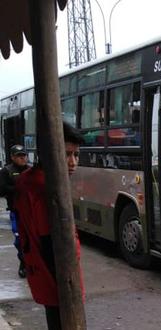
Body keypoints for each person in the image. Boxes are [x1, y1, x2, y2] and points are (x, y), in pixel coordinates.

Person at [15, 123, 84, 330]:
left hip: (41, 276)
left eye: (76, 155)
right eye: (66, 154)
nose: (72, 163)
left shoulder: (27, 179)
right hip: (58, 282)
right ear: (48, 152)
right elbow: (53, 245)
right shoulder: (47, 190)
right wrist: (70, 285)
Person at [0, 145, 30, 278]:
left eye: (24, 155)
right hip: (16, 212)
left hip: (31, 212)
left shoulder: (31, 170)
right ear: (12, 157)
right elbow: (2, 189)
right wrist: (18, 189)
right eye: (19, 156)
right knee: (19, 240)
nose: (22, 158)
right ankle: (23, 263)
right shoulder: (6, 171)